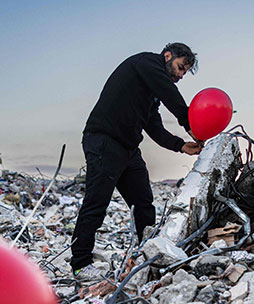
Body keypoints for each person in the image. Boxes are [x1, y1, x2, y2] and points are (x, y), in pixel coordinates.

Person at [71, 42, 202, 279]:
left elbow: (154, 126)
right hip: (104, 141)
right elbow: (168, 92)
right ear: (167, 55)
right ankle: (80, 264)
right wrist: (189, 122)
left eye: (184, 72)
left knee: (143, 203)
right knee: (96, 203)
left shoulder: (151, 94)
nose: (181, 75)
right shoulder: (146, 63)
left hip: (128, 149)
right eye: (181, 67)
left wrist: (181, 145)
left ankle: (147, 256)